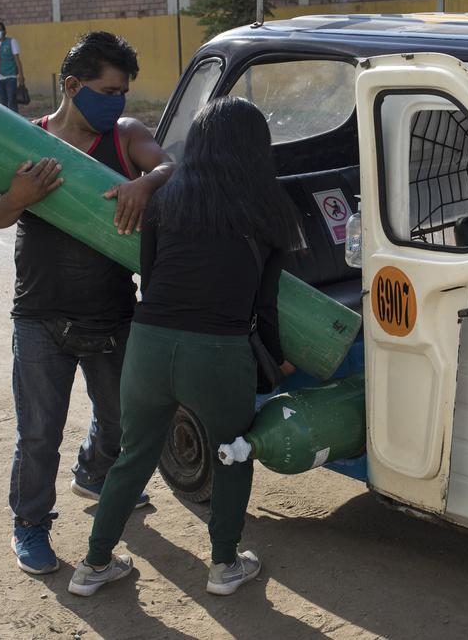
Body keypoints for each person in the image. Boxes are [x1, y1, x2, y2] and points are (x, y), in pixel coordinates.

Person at [67, 96, 300, 598]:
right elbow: (266, 305)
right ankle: (223, 567)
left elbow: (150, 275)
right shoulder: (269, 208)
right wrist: (277, 358)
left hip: (149, 343)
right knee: (231, 455)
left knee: (133, 455)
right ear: (256, 149)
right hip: (217, 350)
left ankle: (91, 565)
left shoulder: (166, 198)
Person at [0, 31, 177, 575]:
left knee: (121, 420)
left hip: (113, 311)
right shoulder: (27, 137)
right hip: (40, 313)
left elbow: (171, 166)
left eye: (124, 92)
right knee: (39, 432)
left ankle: (93, 470)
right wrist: (17, 198)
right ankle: (30, 524)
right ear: (72, 86)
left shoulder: (126, 136)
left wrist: (146, 185)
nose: (118, 102)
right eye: (109, 90)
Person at [0, 21, 26, 112]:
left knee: (12, 100)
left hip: (10, 76)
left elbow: (17, 60)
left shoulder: (11, 42)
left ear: (4, 31)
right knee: (2, 102)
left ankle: (15, 121)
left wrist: (21, 75)